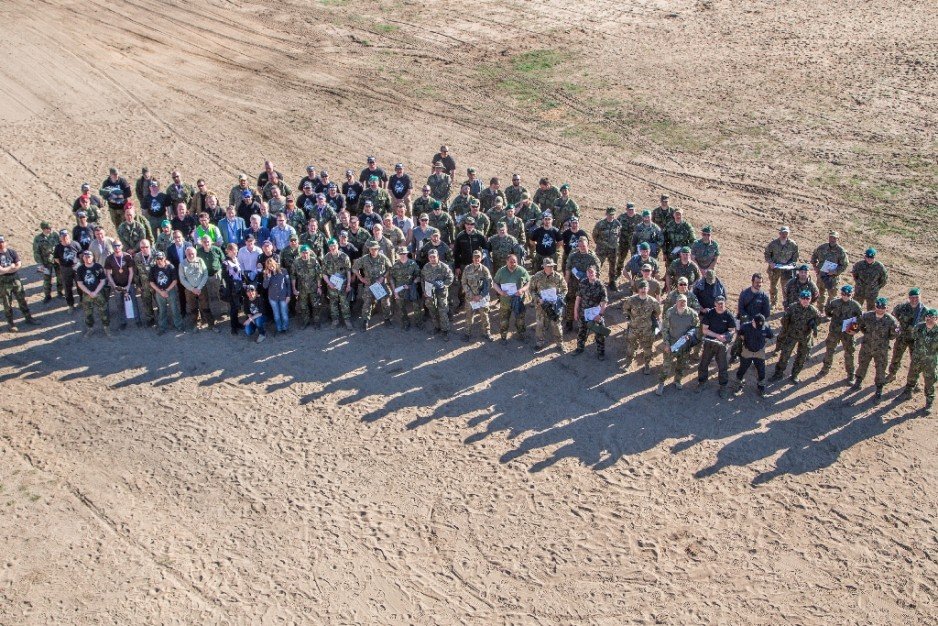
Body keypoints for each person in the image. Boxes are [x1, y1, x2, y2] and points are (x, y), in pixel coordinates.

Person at [851, 297, 900, 400]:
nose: (880, 309)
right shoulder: (867, 316)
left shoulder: (891, 320)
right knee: (862, 364)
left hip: (881, 350)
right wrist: (852, 331)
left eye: (883, 307)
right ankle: (858, 381)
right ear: (875, 306)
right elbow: (858, 325)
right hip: (866, 347)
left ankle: (879, 388)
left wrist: (884, 341)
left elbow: (894, 334)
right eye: (878, 307)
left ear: (886, 308)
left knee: (881, 369)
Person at [771, 290, 821, 385]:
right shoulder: (792, 307)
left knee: (801, 357)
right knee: (784, 355)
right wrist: (787, 329)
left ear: (810, 299)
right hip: (791, 335)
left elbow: (818, 320)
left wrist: (813, 324)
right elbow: (784, 321)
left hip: (805, 337)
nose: (805, 300)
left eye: (807, 298)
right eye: (803, 298)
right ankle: (778, 373)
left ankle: (795, 375)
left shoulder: (813, 310)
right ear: (799, 299)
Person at [656, 294, 700, 395]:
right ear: (676, 302)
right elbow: (665, 329)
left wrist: (689, 334)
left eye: (684, 301)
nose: (682, 303)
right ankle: (661, 383)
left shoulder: (692, 314)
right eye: (680, 301)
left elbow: (697, 327)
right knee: (666, 365)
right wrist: (666, 344)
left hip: (684, 345)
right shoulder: (670, 312)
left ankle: (677, 380)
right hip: (671, 344)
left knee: (682, 364)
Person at [897, 308, 937, 415]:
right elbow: (913, 338)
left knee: (929, 383)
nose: (929, 320)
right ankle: (908, 392)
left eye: (932, 318)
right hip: (917, 359)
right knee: (911, 377)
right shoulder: (919, 327)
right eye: (928, 317)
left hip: (930, 363)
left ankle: (929, 402)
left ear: (936, 319)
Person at [819, 284, 863, 380]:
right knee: (830, 350)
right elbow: (828, 311)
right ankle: (825, 368)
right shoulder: (835, 303)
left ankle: (850, 374)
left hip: (848, 332)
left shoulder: (856, 306)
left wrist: (854, 330)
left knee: (849, 353)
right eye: (843, 294)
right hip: (835, 331)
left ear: (851, 294)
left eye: (848, 294)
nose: (845, 296)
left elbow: (860, 320)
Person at [698, 296, 738, 397]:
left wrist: (725, 336)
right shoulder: (710, 314)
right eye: (719, 303)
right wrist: (717, 336)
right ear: (715, 304)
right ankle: (702, 382)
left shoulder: (728, 315)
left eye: (722, 303)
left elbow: (732, 330)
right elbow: (704, 330)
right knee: (704, 363)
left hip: (722, 345)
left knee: (722, 366)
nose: (720, 305)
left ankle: (723, 387)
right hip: (709, 342)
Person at [888, 288, 928, 383]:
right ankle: (892, 374)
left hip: (916, 340)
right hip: (902, 337)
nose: (914, 299)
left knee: (915, 361)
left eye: (916, 297)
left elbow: (930, 324)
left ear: (920, 297)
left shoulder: (925, 311)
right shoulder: (901, 307)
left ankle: (914, 381)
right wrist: (897, 329)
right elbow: (892, 317)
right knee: (896, 357)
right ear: (909, 298)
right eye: (912, 297)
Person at [622, 280, 662, 374]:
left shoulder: (653, 301)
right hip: (633, 329)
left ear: (648, 289)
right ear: (638, 289)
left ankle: (647, 365)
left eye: (645, 288)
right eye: (641, 288)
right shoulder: (631, 300)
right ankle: (628, 363)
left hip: (647, 330)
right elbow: (625, 309)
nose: (643, 290)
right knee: (630, 347)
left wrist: (651, 320)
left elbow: (658, 313)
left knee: (648, 348)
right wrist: (629, 318)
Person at [0, 236, 39, 331]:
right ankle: (11, 324)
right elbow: (0, 271)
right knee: (7, 304)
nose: (1, 244)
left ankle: (28, 318)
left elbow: (19, 264)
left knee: (22, 300)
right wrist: (11, 267)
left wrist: (8, 269)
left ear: (5, 242)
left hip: (15, 280)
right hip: (3, 282)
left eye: (2, 242)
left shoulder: (11, 252)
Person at [529, 258, 567, 352]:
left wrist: (558, 298)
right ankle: (539, 342)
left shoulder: (558, 276)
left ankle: (559, 343)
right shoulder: (537, 276)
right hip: (541, 305)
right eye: (548, 266)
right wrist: (538, 299)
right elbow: (532, 290)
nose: (551, 268)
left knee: (556, 324)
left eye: (552, 266)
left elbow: (564, 289)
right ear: (544, 266)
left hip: (554, 305)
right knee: (540, 324)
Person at [353, 241, 393, 331]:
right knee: (367, 301)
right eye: (371, 249)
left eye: (375, 249)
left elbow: (390, 268)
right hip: (369, 284)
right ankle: (365, 321)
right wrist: (361, 278)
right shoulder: (364, 258)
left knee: (386, 301)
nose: (373, 251)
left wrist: (383, 277)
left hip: (380, 283)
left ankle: (387, 318)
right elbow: (354, 268)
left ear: (378, 249)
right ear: (369, 249)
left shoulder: (383, 258)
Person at [564, 236, 601, 331]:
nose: (582, 247)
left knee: (585, 304)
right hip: (573, 284)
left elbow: (597, 274)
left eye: (584, 246)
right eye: (580, 246)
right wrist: (565, 285)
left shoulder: (593, 258)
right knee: (570, 301)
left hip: (586, 285)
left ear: (587, 245)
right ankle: (569, 321)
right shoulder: (573, 256)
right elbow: (568, 270)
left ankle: (584, 324)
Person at [732, 273, 770, 362]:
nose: (759, 284)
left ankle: (755, 359)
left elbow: (766, 313)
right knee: (739, 339)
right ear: (752, 282)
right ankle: (734, 354)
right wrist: (748, 321)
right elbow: (741, 308)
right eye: (757, 282)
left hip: (757, 324)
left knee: (756, 341)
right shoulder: (745, 293)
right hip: (745, 322)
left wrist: (758, 321)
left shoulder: (764, 296)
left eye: (760, 282)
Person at [492, 254, 530, 343]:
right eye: (511, 262)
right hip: (505, 300)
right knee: (504, 320)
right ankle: (503, 336)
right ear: (507, 262)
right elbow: (495, 283)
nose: (513, 264)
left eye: (514, 262)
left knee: (520, 319)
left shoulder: (521, 270)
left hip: (518, 300)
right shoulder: (501, 271)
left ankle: (521, 334)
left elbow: (528, 282)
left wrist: (522, 289)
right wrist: (500, 292)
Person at [573, 265, 608, 360]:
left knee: (600, 333)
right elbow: (578, 299)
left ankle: (601, 352)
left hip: (596, 314)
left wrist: (600, 315)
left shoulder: (600, 285)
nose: (590, 274)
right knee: (582, 331)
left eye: (592, 272)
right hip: (583, 313)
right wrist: (575, 312)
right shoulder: (583, 283)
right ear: (586, 273)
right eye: (589, 272)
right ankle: (580, 348)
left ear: (595, 272)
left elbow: (605, 302)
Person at [734, 314, 774, 396]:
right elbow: (740, 335)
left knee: (761, 370)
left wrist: (762, 343)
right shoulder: (745, 326)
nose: (760, 327)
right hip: (747, 351)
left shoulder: (765, 327)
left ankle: (761, 386)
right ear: (753, 322)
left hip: (759, 352)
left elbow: (770, 335)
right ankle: (739, 383)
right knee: (743, 368)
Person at [104, 241, 140, 330]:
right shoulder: (109, 259)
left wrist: (128, 285)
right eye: (114, 246)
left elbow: (131, 272)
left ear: (122, 246)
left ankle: (138, 320)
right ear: (112, 247)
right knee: (119, 304)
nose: (116, 247)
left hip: (129, 284)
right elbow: (108, 274)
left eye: (118, 245)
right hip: (117, 285)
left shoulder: (127, 256)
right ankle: (122, 322)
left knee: (134, 302)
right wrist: (114, 286)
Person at [180, 245, 216, 332]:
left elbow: (205, 273)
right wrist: (192, 289)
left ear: (195, 254)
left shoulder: (200, 261)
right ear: (186, 254)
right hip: (189, 290)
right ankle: (194, 326)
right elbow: (182, 279)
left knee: (206, 307)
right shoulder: (182, 264)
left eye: (192, 253)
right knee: (193, 309)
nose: (191, 255)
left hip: (201, 288)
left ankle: (211, 325)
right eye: (189, 254)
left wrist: (199, 287)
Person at [421, 248, 454, 340]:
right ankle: (437, 327)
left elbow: (450, 277)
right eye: (431, 257)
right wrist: (424, 291)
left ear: (438, 257)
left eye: (434, 257)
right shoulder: (426, 267)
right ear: (428, 258)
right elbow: (422, 279)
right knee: (433, 311)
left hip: (441, 294)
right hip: (430, 294)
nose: (432, 259)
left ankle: (445, 331)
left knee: (442, 312)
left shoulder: (444, 267)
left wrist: (444, 285)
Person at [811, 230, 849, 310]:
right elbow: (814, 256)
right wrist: (815, 267)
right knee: (820, 295)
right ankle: (819, 311)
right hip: (821, 276)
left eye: (834, 238)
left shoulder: (841, 251)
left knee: (832, 297)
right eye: (831, 237)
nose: (832, 239)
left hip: (833, 278)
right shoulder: (822, 247)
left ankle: (829, 312)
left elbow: (844, 265)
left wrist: (835, 271)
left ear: (837, 239)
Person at [461, 249, 493, 342]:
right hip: (470, 298)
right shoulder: (467, 269)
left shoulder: (485, 270)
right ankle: (467, 333)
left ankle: (486, 333)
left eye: (478, 257)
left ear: (481, 258)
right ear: (472, 258)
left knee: (485, 316)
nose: (476, 259)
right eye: (475, 257)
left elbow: (489, 284)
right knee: (469, 316)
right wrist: (471, 295)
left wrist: (480, 296)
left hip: (482, 298)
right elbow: (463, 282)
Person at [764, 226, 799, 310]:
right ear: (779, 233)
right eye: (782, 233)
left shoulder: (793, 244)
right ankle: (773, 303)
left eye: (786, 233)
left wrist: (791, 265)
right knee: (773, 286)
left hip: (786, 270)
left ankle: (786, 304)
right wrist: (770, 262)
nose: (784, 235)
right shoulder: (773, 244)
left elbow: (795, 257)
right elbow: (767, 254)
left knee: (786, 287)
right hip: (774, 269)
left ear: (788, 234)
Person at [148, 251, 183, 335]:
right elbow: (151, 282)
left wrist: (166, 291)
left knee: (174, 309)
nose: (159, 260)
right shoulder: (153, 268)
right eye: (157, 259)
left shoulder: (170, 267)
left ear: (164, 258)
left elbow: (175, 281)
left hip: (170, 290)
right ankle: (162, 327)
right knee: (161, 310)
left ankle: (179, 325)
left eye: (161, 258)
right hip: (159, 291)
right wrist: (160, 291)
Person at [76, 249, 109, 336]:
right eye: (85, 257)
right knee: (88, 313)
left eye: (89, 257)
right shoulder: (80, 269)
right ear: (83, 258)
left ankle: (106, 327)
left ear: (92, 257)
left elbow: (102, 280)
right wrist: (89, 292)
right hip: (87, 294)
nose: (87, 259)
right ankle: (90, 329)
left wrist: (95, 292)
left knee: (104, 311)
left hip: (99, 293)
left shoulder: (98, 267)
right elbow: (80, 283)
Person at [322, 238, 353, 329]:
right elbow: (323, 273)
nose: (333, 247)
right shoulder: (326, 258)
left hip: (343, 285)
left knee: (344, 303)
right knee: (333, 303)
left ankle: (347, 321)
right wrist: (329, 283)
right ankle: (335, 321)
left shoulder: (344, 256)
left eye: (334, 245)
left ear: (337, 245)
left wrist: (348, 285)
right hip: (332, 286)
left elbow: (348, 272)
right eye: (331, 246)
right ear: (329, 247)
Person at [388, 247, 421, 330]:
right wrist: (395, 291)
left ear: (407, 254)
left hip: (411, 287)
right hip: (400, 289)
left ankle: (418, 322)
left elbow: (419, 275)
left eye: (404, 253)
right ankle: (405, 322)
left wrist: (414, 283)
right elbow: (391, 278)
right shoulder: (395, 266)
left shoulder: (413, 263)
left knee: (416, 305)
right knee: (401, 307)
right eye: (401, 254)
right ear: (398, 255)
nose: (403, 255)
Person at [291, 245, 323, 329]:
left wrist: (319, 287)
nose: (305, 254)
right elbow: (293, 276)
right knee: (303, 306)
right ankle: (305, 321)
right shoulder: (296, 262)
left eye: (306, 252)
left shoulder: (314, 261)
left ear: (309, 252)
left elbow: (318, 275)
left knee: (316, 306)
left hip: (314, 288)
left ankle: (316, 322)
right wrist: (294, 288)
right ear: (300, 253)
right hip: (302, 289)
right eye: (303, 253)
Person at [592, 207, 622, 290]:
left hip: (613, 249)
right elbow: (594, 235)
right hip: (601, 249)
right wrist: (600, 243)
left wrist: (615, 244)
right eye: (609, 214)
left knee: (613, 266)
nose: (611, 216)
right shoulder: (600, 224)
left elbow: (619, 235)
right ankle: (595, 282)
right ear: (606, 214)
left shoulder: (618, 224)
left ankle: (612, 282)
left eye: (612, 214)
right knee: (597, 265)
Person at [53, 230, 82, 312]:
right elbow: (56, 258)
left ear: (69, 236)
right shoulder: (58, 247)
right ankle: (71, 305)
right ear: (60, 238)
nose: (65, 238)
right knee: (67, 287)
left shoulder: (75, 244)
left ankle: (82, 301)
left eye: (66, 236)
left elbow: (80, 254)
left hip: (76, 267)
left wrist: (77, 263)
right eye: (63, 236)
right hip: (65, 269)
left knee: (80, 285)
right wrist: (64, 264)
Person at [32, 221, 60, 303]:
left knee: (60, 277)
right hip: (45, 262)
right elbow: (36, 252)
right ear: (43, 229)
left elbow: (60, 245)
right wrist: (40, 263)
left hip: (56, 260)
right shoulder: (38, 239)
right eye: (48, 228)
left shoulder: (55, 235)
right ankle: (47, 295)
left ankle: (60, 292)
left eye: (51, 228)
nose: (50, 230)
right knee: (47, 279)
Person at [262, 257, 291, 333]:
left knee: (284, 314)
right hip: (273, 298)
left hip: (283, 296)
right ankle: (279, 328)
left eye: (272, 265)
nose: (271, 267)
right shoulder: (266, 274)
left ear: (275, 264)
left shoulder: (283, 271)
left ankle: (285, 327)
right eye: (269, 266)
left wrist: (289, 296)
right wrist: (268, 277)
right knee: (276, 315)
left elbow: (288, 284)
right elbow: (265, 286)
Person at [133, 240, 157, 327]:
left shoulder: (156, 255)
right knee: (147, 303)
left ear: (150, 246)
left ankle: (161, 318)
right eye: (142, 247)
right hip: (144, 285)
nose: (144, 249)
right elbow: (135, 273)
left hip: (156, 285)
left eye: (146, 247)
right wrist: (138, 286)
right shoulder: (137, 257)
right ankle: (150, 319)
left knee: (159, 302)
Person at [221, 244, 244, 335]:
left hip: (238, 287)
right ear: (229, 251)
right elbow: (226, 278)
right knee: (233, 309)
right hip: (231, 289)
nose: (236, 252)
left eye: (236, 250)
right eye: (235, 250)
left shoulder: (235, 259)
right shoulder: (225, 263)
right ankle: (233, 327)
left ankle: (237, 323)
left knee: (237, 307)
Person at [615, 202, 642, 276]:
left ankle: (634, 274)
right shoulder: (621, 217)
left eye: (632, 209)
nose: (630, 211)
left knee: (635, 258)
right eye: (629, 209)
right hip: (623, 241)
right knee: (621, 257)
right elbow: (616, 227)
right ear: (626, 209)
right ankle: (618, 272)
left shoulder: (639, 218)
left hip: (634, 242)